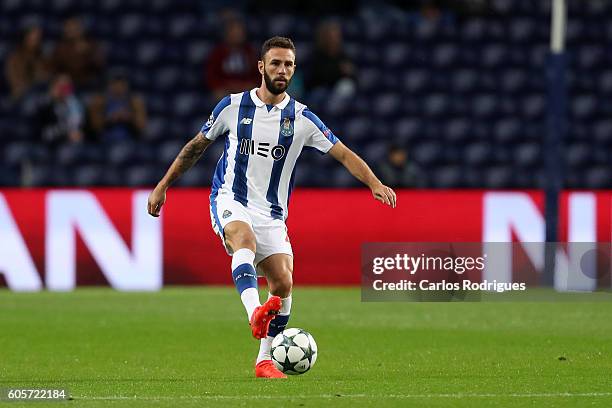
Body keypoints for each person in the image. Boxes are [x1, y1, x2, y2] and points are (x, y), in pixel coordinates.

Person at [147, 36, 396, 378]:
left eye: (289, 64)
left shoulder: (302, 118)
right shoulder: (232, 107)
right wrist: (162, 186)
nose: (282, 70)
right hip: (230, 198)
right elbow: (195, 147)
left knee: (283, 283)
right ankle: (254, 312)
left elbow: (343, 153)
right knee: (243, 240)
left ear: (294, 70)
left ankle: (264, 359)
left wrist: (374, 183)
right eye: (276, 63)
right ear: (261, 67)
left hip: (273, 214)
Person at [205, 17, 260, 101]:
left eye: (239, 31)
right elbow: (212, 75)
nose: (237, 34)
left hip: (245, 88)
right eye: (233, 31)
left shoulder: (250, 51)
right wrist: (227, 86)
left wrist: (247, 85)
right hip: (225, 89)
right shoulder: (218, 52)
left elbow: (257, 74)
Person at [88, 72, 147, 142]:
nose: (118, 87)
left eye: (121, 83)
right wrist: (111, 119)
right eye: (114, 83)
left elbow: (141, 126)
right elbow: (96, 126)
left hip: (130, 141)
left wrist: (128, 117)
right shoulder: (100, 101)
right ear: (108, 85)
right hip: (105, 142)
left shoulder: (134, 101)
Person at [49, 17, 105, 90]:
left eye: (73, 27)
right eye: (68, 27)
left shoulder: (91, 45)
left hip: (88, 84)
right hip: (68, 85)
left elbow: (100, 64)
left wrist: (88, 52)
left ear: (80, 29)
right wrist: (75, 54)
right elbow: (55, 67)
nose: (70, 30)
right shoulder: (60, 47)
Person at [305, 20, 356, 96]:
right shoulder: (316, 55)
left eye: (336, 36)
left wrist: (350, 72)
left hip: (338, 93)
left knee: (346, 86)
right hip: (319, 92)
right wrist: (339, 70)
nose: (334, 40)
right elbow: (315, 78)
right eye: (331, 36)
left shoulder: (343, 55)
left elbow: (353, 77)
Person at [34, 74, 84, 146]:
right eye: (62, 87)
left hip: (70, 142)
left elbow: (77, 123)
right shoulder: (44, 103)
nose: (65, 91)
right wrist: (66, 134)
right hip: (49, 141)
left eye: (68, 88)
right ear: (54, 87)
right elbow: (43, 132)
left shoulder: (73, 102)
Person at [4, 25, 49, 101]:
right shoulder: (15, 58)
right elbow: (15, 84)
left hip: (40, 96)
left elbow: (45, 78)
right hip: (21, 98)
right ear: (25, 38)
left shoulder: (42, 57)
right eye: (33, 38)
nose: (36, 41)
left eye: (38, 38)